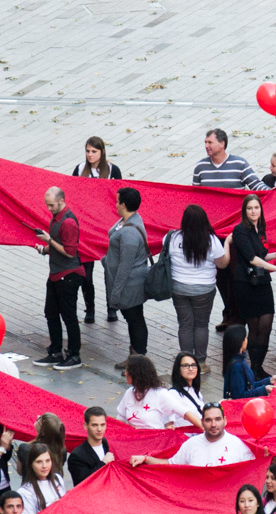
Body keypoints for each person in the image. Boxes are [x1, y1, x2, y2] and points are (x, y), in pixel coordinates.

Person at [164, 204, 230, 368]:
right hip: (204, 289)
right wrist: (227, 243)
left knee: (185, 325)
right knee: (201, 325)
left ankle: (185, 363)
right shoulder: (211, 240)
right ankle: (200, 362)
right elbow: (222, 264)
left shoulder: (172, 237)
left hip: (179, 288)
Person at [226, 194, 276, 374]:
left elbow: (262, 255)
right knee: (254, 327)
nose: (253, 211)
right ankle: (254, 369)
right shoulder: (240, 230)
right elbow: (251, 258)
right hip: (246, 284)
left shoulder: (261, 228)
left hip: (262, 282)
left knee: (266, 325)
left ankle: (257, 367)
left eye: (256, 208)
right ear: (244, 211)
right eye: (250, 208)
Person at [69, 137, 122, 322]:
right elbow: (73, 196)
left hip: (106, 229)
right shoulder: (79, 169)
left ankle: (111, 307)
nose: (90, 155)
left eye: (94, 151)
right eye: (88, 151)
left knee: (110, 270)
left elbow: (119, 199)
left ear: (102, 152)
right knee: (86, 274)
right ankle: (89, 309)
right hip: (85, 230)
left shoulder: (112, 170)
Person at [32, 186, 84, 370]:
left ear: (62, 201)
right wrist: (44, 249)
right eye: (47, 205)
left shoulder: (68, 222)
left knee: (68, 316)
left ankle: (74, 355)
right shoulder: (56, 219)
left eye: (52, 205)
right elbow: (57, 245)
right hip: (56, 274)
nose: (49, 209)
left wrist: (48, 241)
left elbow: (70, 252)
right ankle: (55, 351)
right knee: (51, 313)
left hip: (68, 275)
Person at [102, 187, 151, 362]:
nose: (115, 204)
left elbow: (125, 266)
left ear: (123, 204)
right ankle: (134, 356)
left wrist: (115, 294)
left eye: (117, 201)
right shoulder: (128, 220)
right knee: (133, 319)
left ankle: (139, 358)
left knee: (135, 319)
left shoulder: (130, 232)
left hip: (130, 285)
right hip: (128, 284)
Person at [131, 402, 254, 467]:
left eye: (217, 419)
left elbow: (252, 472)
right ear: (202, 422)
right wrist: (146, 459)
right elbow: (170, 465)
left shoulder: (239, 446)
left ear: (225, 421)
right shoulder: (191, 444)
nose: (213, 424)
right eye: (208, 420)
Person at [117, 354, 198, 430]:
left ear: (137, 374)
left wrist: (205, 429)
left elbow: (185, 413)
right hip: (134, 442)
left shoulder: (160, 394)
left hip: (154, 442)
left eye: (128, 370)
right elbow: (120, 419)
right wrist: (128, 428)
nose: (125, 373)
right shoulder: (129, 393)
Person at [191, 127, 265, 190]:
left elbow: (256, 185)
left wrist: (273, 194)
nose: (206, 146)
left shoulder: (240, 164)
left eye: (210, 142)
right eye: (205, 142)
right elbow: (195, 193)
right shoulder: (200, 166)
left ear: (222, 144)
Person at [16, 442, 66, 514]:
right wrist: (50, 510)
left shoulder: (58, 479)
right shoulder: (25, 491)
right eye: (39, 462)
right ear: (31, 464)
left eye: (47, 461)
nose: (44, 466)